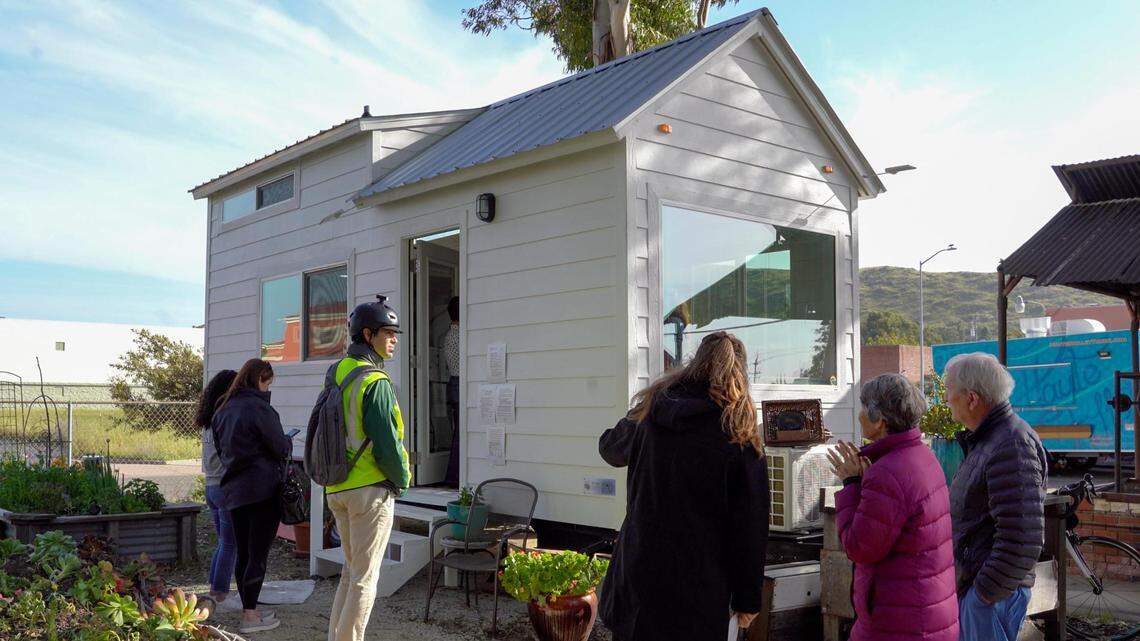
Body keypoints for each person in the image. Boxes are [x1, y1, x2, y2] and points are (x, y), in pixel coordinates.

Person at [598, 331, 769, 641]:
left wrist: (638, 413)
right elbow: (750, 526)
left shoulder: (652, 412)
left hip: (639, 579)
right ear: (741, 373)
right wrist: (748, 599)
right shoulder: (738, 433)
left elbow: (610, 449)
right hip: (699, 590)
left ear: (694, 363)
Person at [827, 373, 958, 641]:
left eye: (864, 407)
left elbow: (859, 547)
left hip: (898, 620)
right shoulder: (923, 455)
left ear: (880, 420)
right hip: (929, 611)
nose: (860, 415)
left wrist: (851, 484)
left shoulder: (886, 472)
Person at [325, 295, 411, 641]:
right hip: (369, 490)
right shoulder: (375, 381)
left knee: (351, 573)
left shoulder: (336, 372)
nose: (393, 340)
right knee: (365, 577)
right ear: (367, 334)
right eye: (387, 333)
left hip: (337, 486)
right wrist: (402, 479)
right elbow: (387, 443)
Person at [944, 353, 1047, 641]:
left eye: (950, 390)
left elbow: (1023, 537)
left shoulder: (1011, 443)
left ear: (972, 398)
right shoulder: (990, 439)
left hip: (990, 596)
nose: (946, 399)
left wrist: (983, 594)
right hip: (980, 590)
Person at [212, 359, 291, 634]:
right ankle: (250, 616)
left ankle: (251, 608)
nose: (268, 389)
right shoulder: (260, 408)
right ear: (259, 380)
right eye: (268, 383)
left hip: (233, 490)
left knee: (243, 553)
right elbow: (281, 447)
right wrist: (287, 440)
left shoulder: (222, 409)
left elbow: (221, 450)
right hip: (262, 489)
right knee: (258, 554)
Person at [194, 369, 238, 608]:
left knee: (223, 541)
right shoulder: (224, 418)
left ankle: (213, 587)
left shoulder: (207, 420)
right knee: (230, 543)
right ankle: (219, 592)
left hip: (211, 485)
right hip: (224, 486)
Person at [443, 295, 460, 487]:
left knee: (458, 431)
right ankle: (454, 477)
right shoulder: (459, 336)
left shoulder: (449, 335)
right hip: (459, 383)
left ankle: (453, 476)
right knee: (460, 434)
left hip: (453, 383)